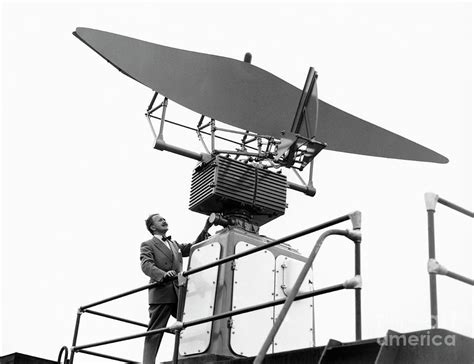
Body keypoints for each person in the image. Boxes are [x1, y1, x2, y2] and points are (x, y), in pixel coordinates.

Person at [140, 213, 212, 364]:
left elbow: (193, 247)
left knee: (190, 322)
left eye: (165, 218)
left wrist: (206, 228)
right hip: (162, 291)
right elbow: (146, 265)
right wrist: (163, 274)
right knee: (156, 330)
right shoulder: (147, 244)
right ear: (153, 227)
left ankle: (187, 357)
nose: (164, 220)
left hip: (178, 291)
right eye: (160, 220)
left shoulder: (174, 244)